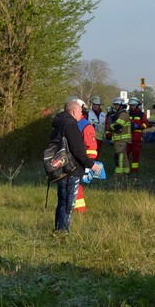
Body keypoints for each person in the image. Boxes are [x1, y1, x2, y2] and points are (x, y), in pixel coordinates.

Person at [49, 99, 97, 232]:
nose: (81, 114)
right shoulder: (71, 125)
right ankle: (63, 231)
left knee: (61, 201)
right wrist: (91, 164)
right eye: (80, 111)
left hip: (59, 167)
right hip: (71, 169)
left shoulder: (58, 123)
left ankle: (58, 228)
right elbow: (77, 149)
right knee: (67, 204)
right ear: (74, 111)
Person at [107, 97, 132, 175]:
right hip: (119, 139)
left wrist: (110, 126)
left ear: (121, 106)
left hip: (122, 139)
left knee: (119, 156)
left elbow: (118, 126)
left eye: (117, 105)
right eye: (114, 105)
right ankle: (126, 171)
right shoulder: (119, 114)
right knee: (123, 156)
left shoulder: (123, 114)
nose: (115, 106)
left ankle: (119, 172)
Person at [127, 97, 149, 174]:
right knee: (125, 154)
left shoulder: (141, 114)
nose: (131, 107)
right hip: (128, 137)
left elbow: (146, 124)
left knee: (135, 154)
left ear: (136, 105)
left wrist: (139, 126)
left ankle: (134, 170)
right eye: (130, 105)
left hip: (137, 138)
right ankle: (126, 168)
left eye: (133, 105)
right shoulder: (127, 113)